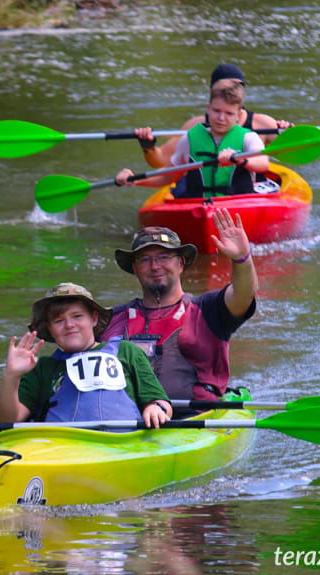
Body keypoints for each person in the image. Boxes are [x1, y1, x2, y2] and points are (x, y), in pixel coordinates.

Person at [100, 211, 256, 414]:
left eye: (164, 257)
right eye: (145, 259)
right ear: (135, 268)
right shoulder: (109, 320)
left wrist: (242, 259)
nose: (155, 266)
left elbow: (244, 295)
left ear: (180, 263)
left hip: (196, 421)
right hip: (127, 422)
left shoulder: (207, 309)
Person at [0, 282, 173, 428]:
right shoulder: (42, 368)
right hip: (62, 448)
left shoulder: (126, 351)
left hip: (125, 444)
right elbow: (9, 420)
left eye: (77, 316)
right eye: (59, 321)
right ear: (49, 328)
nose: (69, 325)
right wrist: (11, 375)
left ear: (93, 319)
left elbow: (161, 402)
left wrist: (155, 408)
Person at [116, 79, 269, 198]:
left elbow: (263, 164)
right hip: (199, 206)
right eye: (216, 111)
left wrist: (240, 159)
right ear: (208, 108)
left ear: (239, 115)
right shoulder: (189, 139)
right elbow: (169, 176)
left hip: (239, 204)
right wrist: (135, 180)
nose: (221, 118)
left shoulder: (249, 138)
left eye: (229, 113)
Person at [136, 63, 293, 170]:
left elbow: (292, 155)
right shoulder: (194, 127)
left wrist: (289, 136)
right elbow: (161, 161)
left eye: (237, 87)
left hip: (250, 191)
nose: (231, 91)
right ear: (213, 91)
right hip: (205, 194)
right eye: (225, 87)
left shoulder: (263, 123)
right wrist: (148, 147)